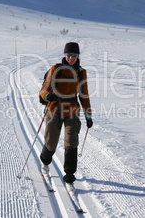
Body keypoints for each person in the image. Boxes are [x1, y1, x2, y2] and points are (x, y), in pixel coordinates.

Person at [39, 42, 93, 189]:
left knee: (71, 142)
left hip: (72, 110)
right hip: (55, 109)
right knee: (51, 141)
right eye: (68, 55)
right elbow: (44, 89)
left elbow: (84, 95)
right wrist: (48, 95)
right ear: (64, 55)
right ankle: (45, 163)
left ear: (78, 56)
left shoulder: (81, 72)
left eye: (74, 55)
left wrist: (88, 115)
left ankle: (69, 176)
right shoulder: (55, 69)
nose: (71, 58)